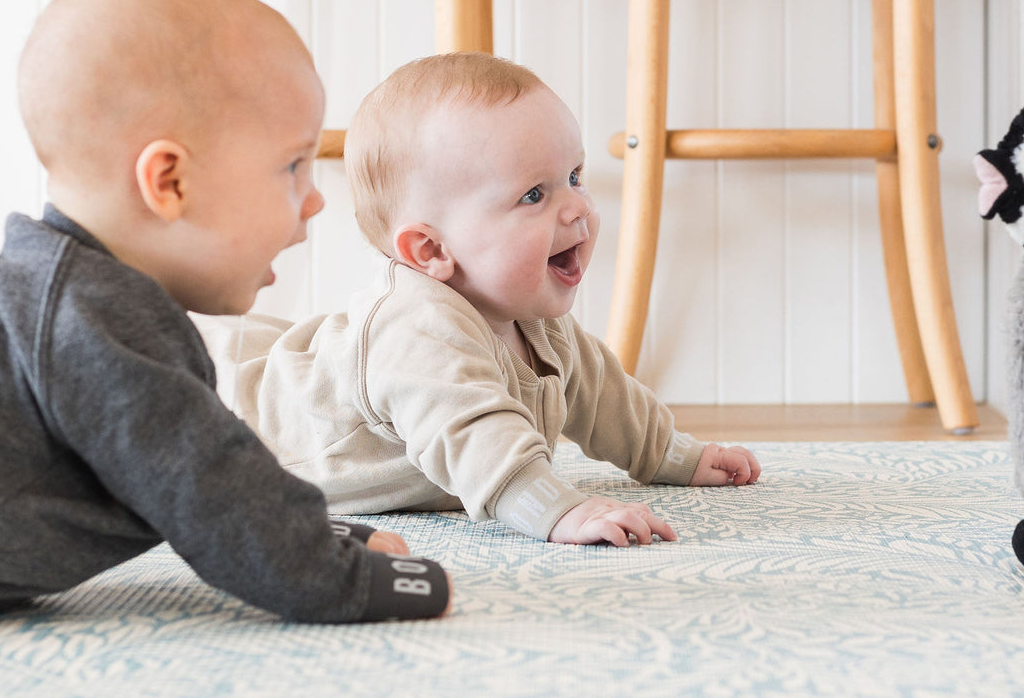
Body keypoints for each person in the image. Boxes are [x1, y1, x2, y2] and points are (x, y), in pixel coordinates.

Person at [0, 0, 450, 624]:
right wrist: (339, 575)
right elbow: (208, 486)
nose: (315, 199)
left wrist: (302, 528)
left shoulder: (75, 301)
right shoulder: (95, 321)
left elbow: (205, 483)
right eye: (292, 165)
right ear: (169, 182)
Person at [197, 53, 761, 547]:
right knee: (194, 366)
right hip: (232, 425)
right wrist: (559, 509)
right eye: (534, 195)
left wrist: (673, 456)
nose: (577, 209)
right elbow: (474, 436)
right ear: (432, 249)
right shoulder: (417, 330)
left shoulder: (529, 317)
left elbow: (602, 393)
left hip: (303, 364)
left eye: (575, 175)